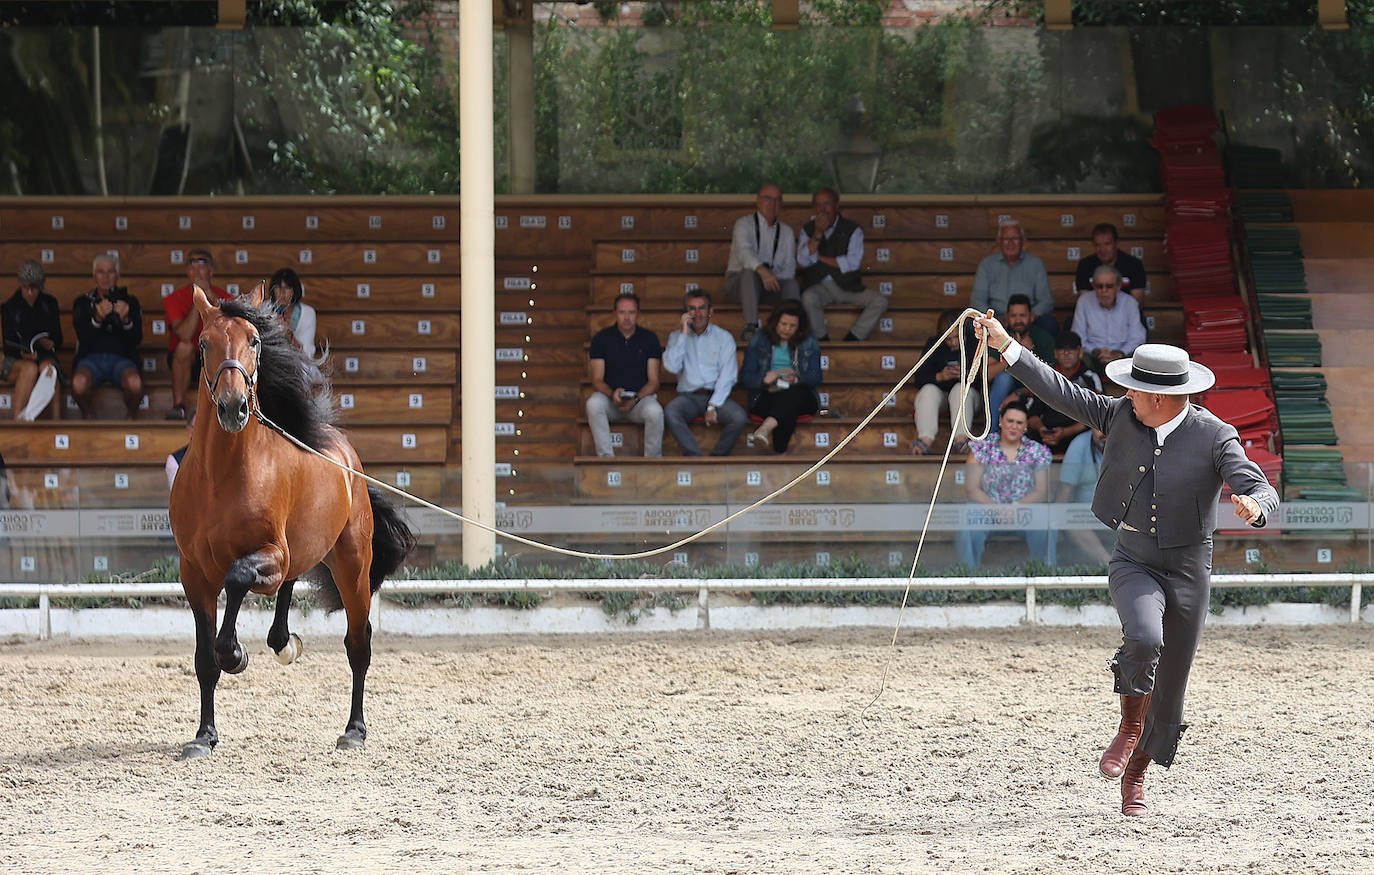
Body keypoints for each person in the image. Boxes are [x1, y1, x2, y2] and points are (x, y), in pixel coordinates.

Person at [973, 311, 1279, 817]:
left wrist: (1255, 504)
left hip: (1187, 568)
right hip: (1134, 557)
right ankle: (1129, 725)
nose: (1127, 394)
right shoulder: (1121, 415)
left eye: (1135, 389)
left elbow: (1255, 482)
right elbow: (1060, 391)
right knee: (1144, 638)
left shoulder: (1215, 434)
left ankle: (1136, 771)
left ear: (1159, 397)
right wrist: (1007, 346)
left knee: (1173, 687)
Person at [954, 400, 1054, 568]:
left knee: (1047, 520)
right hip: (988, 509)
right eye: (1010, 421)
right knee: (968, 518)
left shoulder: (1037, 451)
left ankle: (1043, 576)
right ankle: (968, 579)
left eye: (1019, 422)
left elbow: (1041, 490)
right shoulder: (983, 446)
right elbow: (971, 488)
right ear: (1000, 421)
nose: (1014, 426)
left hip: (1024, 510)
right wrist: (997, 508)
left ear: (1026, 426)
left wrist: (1015, 507)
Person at [662, 290, 749, 456]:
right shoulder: (676, 337)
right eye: (692, 309)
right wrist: (684, 334)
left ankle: (717, 458)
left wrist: (712, 406)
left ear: (710, 312)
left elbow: (728, 376)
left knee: (738, 417)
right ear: (685, 313)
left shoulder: (724, 337)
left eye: (701, 308)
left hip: (717, 396)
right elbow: (672, 367)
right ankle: (695, 458)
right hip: (688, 397)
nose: (697, 314)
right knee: (671, 412)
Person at [797, 187, 888, 342]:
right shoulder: (808, 229)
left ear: (837, 205)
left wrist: (818, 257)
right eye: (818, 205)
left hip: (847, 285)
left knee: (880, 301)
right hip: (820, 285)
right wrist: (818, 233)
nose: (822, 209)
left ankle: (853, 339)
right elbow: (803, 260)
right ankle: (822, 340)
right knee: (808, 297)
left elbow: (852, 263)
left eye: (827, 204)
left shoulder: (852, 229)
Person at [585, 292, 665, 457]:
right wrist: (612, 393)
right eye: (622, 312)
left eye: (631, 312)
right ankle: (606, 458)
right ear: (615, 313)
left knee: (655, 411)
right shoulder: (601, 339)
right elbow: (597, 380)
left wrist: (636, 398)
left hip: (639, 401)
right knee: (593, 404)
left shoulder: (649, 339)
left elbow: (654, 381)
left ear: (638, 314)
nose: (627, 317)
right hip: (611, 400)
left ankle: (652, 461)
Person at [739, 300, 821, 454]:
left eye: (793, 326)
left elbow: (816, 377)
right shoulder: (760, 339)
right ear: (775, 322)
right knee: (787, 408)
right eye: (783, 324)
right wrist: (764, 379)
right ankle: (780, 453)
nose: (787, 330)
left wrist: (797, 379)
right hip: (766, 394)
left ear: (800, 327)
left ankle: (764, 429)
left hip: (801, 395)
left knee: (793, 394)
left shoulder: (809, 341)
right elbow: (746, 378)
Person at [163, 248, 234, 420]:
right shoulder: (174, 298)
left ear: (211, 271)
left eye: (201, 265)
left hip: (218, 358)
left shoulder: (226, 298)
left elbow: (229, 332)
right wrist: (199, 301)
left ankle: (227, 408)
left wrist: (209, 296)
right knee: (184, 347)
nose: (196, 270)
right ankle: (179, 405)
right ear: (187, 272)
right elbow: (185, 335)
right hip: (189, 360)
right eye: (192, 265)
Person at [71, 252, 143, 420]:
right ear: (94, 275)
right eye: (100, 272)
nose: (105, 277)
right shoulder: (82, 302)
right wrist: (97, 319)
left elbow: (137, 338)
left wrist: (125, 320)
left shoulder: (130, 301)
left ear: (118, 275)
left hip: (122, 359)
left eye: (110, 272)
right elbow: (83, 336)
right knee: (78, 383)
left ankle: (130, 416)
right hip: (90, 358)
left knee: (135, 384)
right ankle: (88, 414)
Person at [724, 184, 799, 343]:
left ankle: (791, 330)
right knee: (749, 273)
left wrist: (770, 277)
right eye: (767, 198)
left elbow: (790, 268)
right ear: (758, 201)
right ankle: (751, 326)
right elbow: (745, 253)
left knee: (792, 285)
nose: (772, 203)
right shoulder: (743, 224)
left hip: (771, 285)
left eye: (777, 200)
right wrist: (762, 271)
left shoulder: (786, 232)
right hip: (740, 285)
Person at [910, 309, 981, 456]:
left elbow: (985, 379)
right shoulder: (934, 344)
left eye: (957, 337)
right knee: (928, 390)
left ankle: (961, 440)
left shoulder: (974, 342)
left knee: (959, 388)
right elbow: (919, 378)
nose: (954, 342)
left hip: (969, 397)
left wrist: (968, 375)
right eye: (948, 339)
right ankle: (925, 441)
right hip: (942, 397)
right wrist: (940, 377)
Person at [971, 219, 1057, 337]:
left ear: (1023, 241)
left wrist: (1030, 316)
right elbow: (977, 300)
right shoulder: (987, 265)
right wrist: (993, 320)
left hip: (1027, 319)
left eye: (1015, 238)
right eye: (1006, 239)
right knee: (972, 328)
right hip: (997, 318)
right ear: (998, 241)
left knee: (1049, 323)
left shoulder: (1036, 264)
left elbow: (1046, 301)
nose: (1010, 243)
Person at [2, 260, 64, 420]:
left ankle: (56, 424)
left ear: (41, 287)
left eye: (34, 288)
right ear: (20, 285)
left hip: (44, 355)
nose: (30, 292)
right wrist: (24, 354)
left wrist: (50, 343)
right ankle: (19, 421)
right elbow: (8, 345)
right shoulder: (10, 307)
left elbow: (58, 337)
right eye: (26, 288)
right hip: (16, 358)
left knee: (49, 370)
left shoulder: (49, 304)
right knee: (29, 369)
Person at [1022, 330, 1102, 453]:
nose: (1066, 353)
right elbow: (1032, 414)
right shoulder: (1045, 375)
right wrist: (1042, 429)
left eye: (1071, 349)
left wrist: (1065, 432)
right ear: (1055, 353)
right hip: (1045, 436)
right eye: (1061, 349)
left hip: (1078, 436)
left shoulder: (1090, 377)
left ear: (1080, 353)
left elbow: (1098, 415)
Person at [986, 294, 1055, 417]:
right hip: (1005, 392)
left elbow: (1052, 380)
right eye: (1013, 316)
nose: (1018, 320)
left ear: (1031, 316)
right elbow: (986, 375)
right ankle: (991, 434)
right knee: (1003, 379)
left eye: (1022, 315)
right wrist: (1014, 351)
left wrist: (1020, 393)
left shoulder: (1043, 338)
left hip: (1035, 393)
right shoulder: (999, 336)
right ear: (1007, 317)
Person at [1072, 265, 1147, 373]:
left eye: (1109, 286)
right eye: (1099, 286)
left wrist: (1119, 353)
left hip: (1123, 355)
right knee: (1078, 354)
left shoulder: (1130, 303)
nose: (1104, 290)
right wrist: (1096, 352)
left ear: (1118, 286)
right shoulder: (1084, 302)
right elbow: (1078, 337)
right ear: (1093, 285)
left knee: (1138, 356)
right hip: (1093, 356)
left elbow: (1137, 338)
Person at [1056, 429, 1112, 565]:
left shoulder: (1128, 441)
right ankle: (1109, 566)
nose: (1103, 432)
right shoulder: (1079, 444)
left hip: (1120, 515)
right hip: (1085, 516)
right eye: (1098, 426)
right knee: (1071, 524)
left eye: (1107, 425)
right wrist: (1057, 519)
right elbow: (1065, 489)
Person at [1076, 222, 1148, 308]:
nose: (1102, 250)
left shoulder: (1134, 264)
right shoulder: (1085, 265)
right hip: (1094, 317)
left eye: (1107, 244)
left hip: (1126, 316)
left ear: (1116, 243)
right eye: (1098, 245)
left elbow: (1137, 302)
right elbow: (1084, 302)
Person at [268, 268, 317, 355]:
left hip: (300, 366)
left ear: (294, 290)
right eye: (278, 287)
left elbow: (308, 353)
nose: (282, 293)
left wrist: (289, 335)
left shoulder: (307, 313)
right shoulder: (264, 309)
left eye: (287, 288)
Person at [165, 409, 196, 489]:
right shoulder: (175, 461)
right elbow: (179, 498)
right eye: (197, 428)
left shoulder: (218, 458)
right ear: (189, 430)